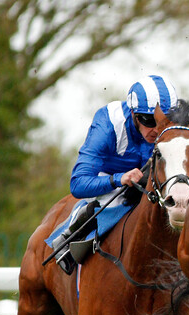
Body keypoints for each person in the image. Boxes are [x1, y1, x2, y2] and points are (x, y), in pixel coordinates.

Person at [52, 74, 179, 273]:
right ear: (135, 115)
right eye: (148, 120)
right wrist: (120, 178)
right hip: (111, 183)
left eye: (163, 121)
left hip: (153, 184)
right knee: (117, 201)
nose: (156, 130)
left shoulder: (175, 130)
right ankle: (73, 232)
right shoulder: (108, 124)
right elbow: (78, 183)